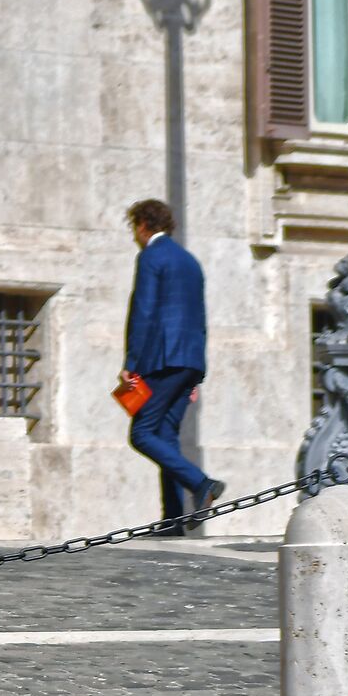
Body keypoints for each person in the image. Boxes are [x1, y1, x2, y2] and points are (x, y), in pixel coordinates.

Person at [116, 198, 226, 532]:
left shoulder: (151, 256)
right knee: (165, 435)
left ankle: (201, 483)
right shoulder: (191, 261)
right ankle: (173, 519)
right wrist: (196, 373)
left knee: (142, 433)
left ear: (143, 225)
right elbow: (200, 316)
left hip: (162, 359)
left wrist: (131, 363)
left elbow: (145, 313)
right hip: (190, 361)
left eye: (134, 227)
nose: (134, 235)